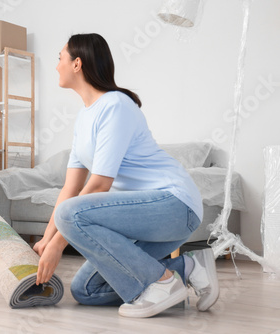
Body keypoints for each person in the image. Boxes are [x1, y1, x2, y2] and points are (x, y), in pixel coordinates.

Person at [33, 33, 220, 318]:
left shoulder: (115, 105)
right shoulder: (84, 119)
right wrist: (46, 241)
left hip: (174, 206)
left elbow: (98, 185)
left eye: (60, 58)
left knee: (70, 214)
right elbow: (69, 189)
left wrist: (58, 245)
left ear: (77, 64)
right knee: (86, 291)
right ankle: (188, 268)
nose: (56, 64)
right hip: (144, 221)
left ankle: (163, 284)